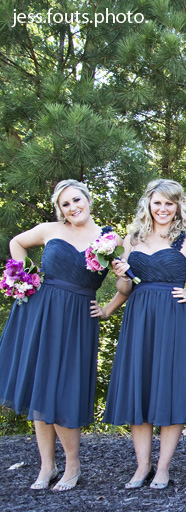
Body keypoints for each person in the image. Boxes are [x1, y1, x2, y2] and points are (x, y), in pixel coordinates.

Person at [0, 179, 126, 491]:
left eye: (76, 200)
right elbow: (17, 242)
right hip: (40, 311)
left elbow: (126, 286)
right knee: (40, 387)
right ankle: (47, 466)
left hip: (77, 318)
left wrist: (108, 307)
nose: (72, 207)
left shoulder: (110, 239)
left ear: (89, 200)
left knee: (64, 389)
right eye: (65, 204)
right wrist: (24, 277)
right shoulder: (50, 230)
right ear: (60, 209)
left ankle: (72, 465)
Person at [104, 179, 186, 490]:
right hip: (139, 317)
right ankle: (142, 466)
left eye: (169, 203)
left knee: (170, 389)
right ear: (148, 204)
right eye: (157, 202)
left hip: (174, 318)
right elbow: (125, 288)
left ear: (178, 206)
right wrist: (121, 277)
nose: (163, 209)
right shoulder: (132, 238)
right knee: (140, 388)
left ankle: (163, 468)